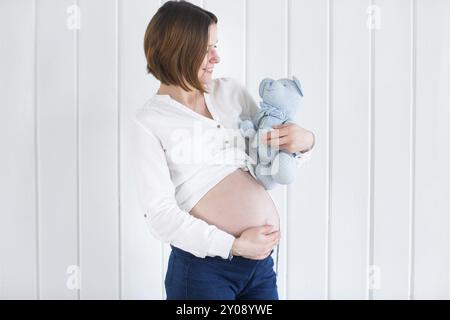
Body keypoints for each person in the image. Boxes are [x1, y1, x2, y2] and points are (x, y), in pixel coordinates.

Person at [134, 0, 315, 300]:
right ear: (176, 48)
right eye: (206, 48)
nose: (216, 57)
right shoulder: (150, 121)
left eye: (215, 45)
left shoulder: (229, 91)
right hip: (204, 270)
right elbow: (160, 216)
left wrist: (306, 142)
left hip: (260, 266)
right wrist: (234, 246)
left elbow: (271, 154)